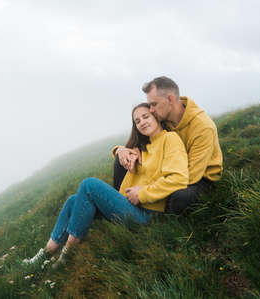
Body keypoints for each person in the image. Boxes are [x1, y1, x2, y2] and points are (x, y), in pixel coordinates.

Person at [23, 103, 189, 268]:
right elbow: (122, 151)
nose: (142, 122)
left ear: (157, 117)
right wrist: (120, 149)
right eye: (137, 121)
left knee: (89, 185)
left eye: (146, 117)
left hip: (148, 214)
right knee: (73, 200)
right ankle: (47, 252)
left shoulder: (170, 139)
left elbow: (178, 178)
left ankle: (67, 253)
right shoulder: (143, 147)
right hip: (130, 205)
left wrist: (143, 193)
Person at [113, 76, 223, 214]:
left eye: (154, 104)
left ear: (170, 99)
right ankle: (118, 205)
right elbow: (149, 140)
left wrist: (147, 189)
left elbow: (189, 177)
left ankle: (157, 221)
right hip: (169, 169)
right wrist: (122, 150)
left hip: (199, 178)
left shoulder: (203, 127)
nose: (151, 110)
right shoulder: (165, 118)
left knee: (181, 197)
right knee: (123, 160)